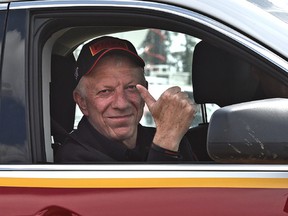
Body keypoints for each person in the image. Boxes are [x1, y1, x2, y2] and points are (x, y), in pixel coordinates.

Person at [55, 36, 197, 163]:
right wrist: (165, 146)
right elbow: (154, 194)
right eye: (105, 91)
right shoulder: (73, 159)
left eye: (131, 88)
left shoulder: (166, 137)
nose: (121, 104)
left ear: (145, 91)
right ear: (82, 102)